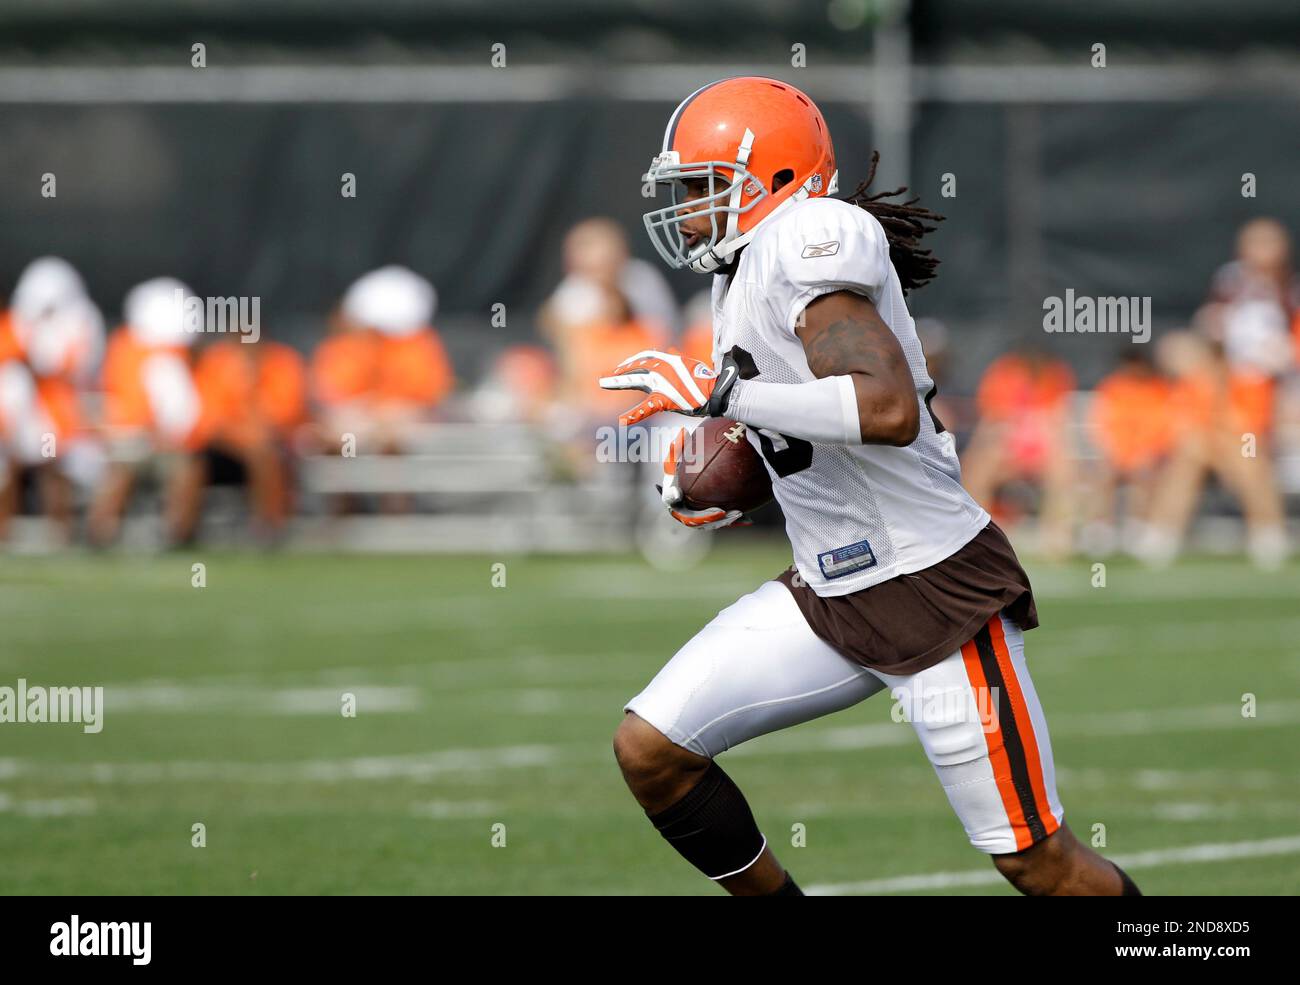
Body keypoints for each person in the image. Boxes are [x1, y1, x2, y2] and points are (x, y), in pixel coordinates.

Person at [594, 77, 1140, 896]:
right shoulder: (740, 269)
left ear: (776, 181)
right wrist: (735, 472)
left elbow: (883, 409)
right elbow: (808, 425)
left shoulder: (811, 234)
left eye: (708, 187)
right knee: (653, 748)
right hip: (829, 589)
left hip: (929, 592)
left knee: (1036, 861)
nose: (692, 209)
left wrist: (724, 398)